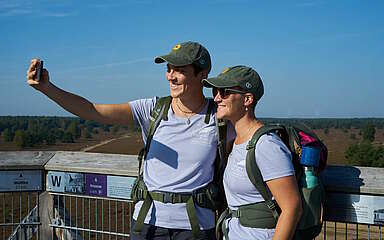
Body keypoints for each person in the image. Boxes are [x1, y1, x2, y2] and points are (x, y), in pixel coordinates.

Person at [26, 41, 234, 240]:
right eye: (168, 69)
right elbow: (92, 110)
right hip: (148, 224)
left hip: (196, 229)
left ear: (203, 74)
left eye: (179, 70)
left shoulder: (221, 118)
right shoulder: (152, 109)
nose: (171, 76)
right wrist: (47, 88)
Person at [202, 66, 302, 240]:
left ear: (247, 99)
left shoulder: (267, 145)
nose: (216, 98)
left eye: (224, 92)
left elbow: (292, 208)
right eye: (215, 91)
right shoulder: (236, 141)